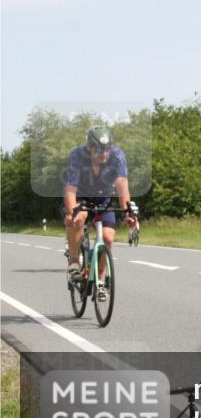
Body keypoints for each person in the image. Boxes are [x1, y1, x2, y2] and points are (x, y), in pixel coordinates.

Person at [63, 126, 138, 301]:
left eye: (107, 149)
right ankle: (74, 262)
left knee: (108, 238)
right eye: (99, 149)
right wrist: (72, 212)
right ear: (89, 146)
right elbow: (70, 188)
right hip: (80, 197)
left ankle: (100, 281)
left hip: (103, 199)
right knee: (78, 219)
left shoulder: (117, 156)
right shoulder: (77, 156)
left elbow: (122, 185)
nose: (104, 154)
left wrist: (128, 211)